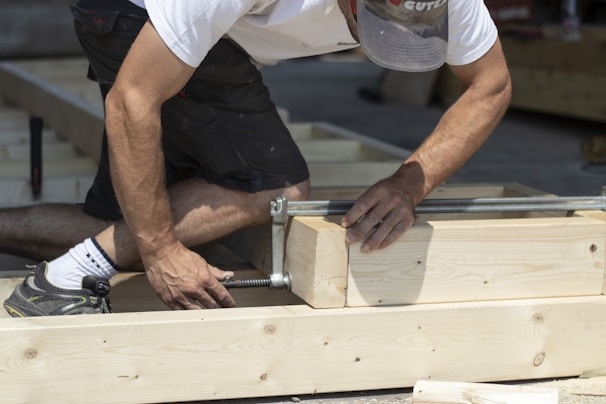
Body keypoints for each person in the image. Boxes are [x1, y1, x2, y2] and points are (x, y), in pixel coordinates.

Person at [2, 0, 511, 316]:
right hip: (136, 13)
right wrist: (161, 254)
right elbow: (132, 100)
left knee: (123, 221)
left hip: (204, 31)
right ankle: (63, 281)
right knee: (272, 187)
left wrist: (409, 184)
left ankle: (80, 258)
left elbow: (491, 84)